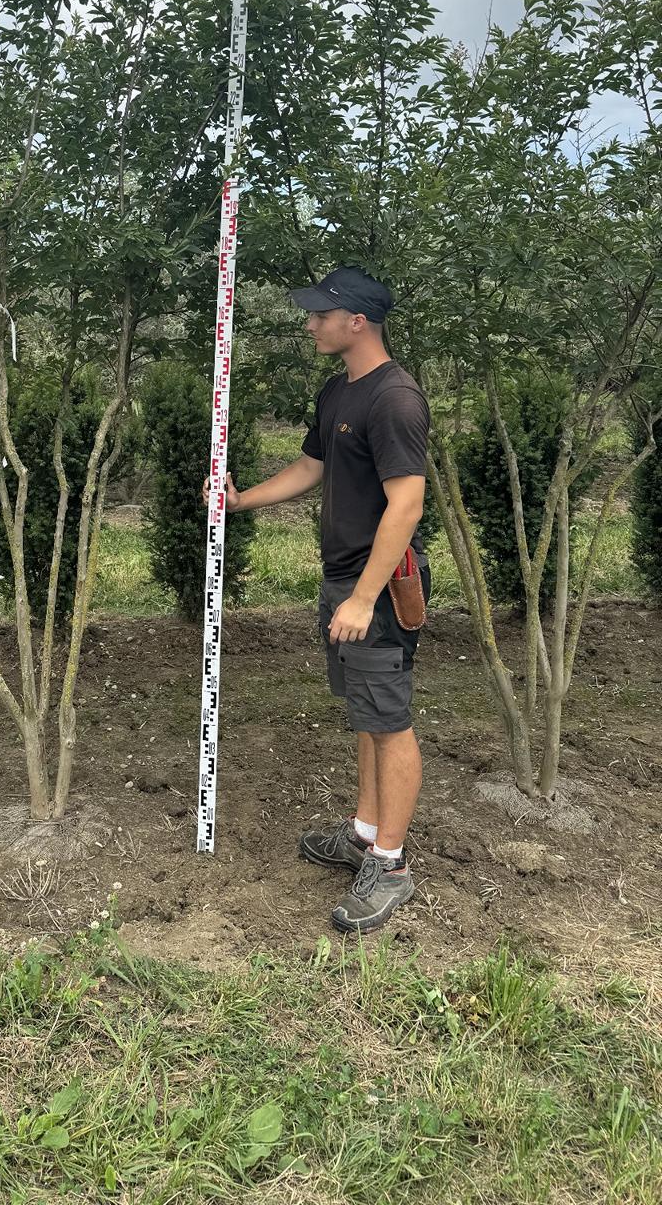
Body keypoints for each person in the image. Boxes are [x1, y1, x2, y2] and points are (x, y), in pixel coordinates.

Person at [202, 266, 430, 934]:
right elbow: (312, 467)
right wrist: (241, 501)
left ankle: (389, 864)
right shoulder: (339, 393)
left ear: (356, 320)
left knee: (389, 723)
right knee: (366, 713)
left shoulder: (395, 399)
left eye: (320, 314)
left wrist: (361, 599)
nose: (310, 324)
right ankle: (363, 832)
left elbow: (406, 504)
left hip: (378, 590)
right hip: (347, 584)